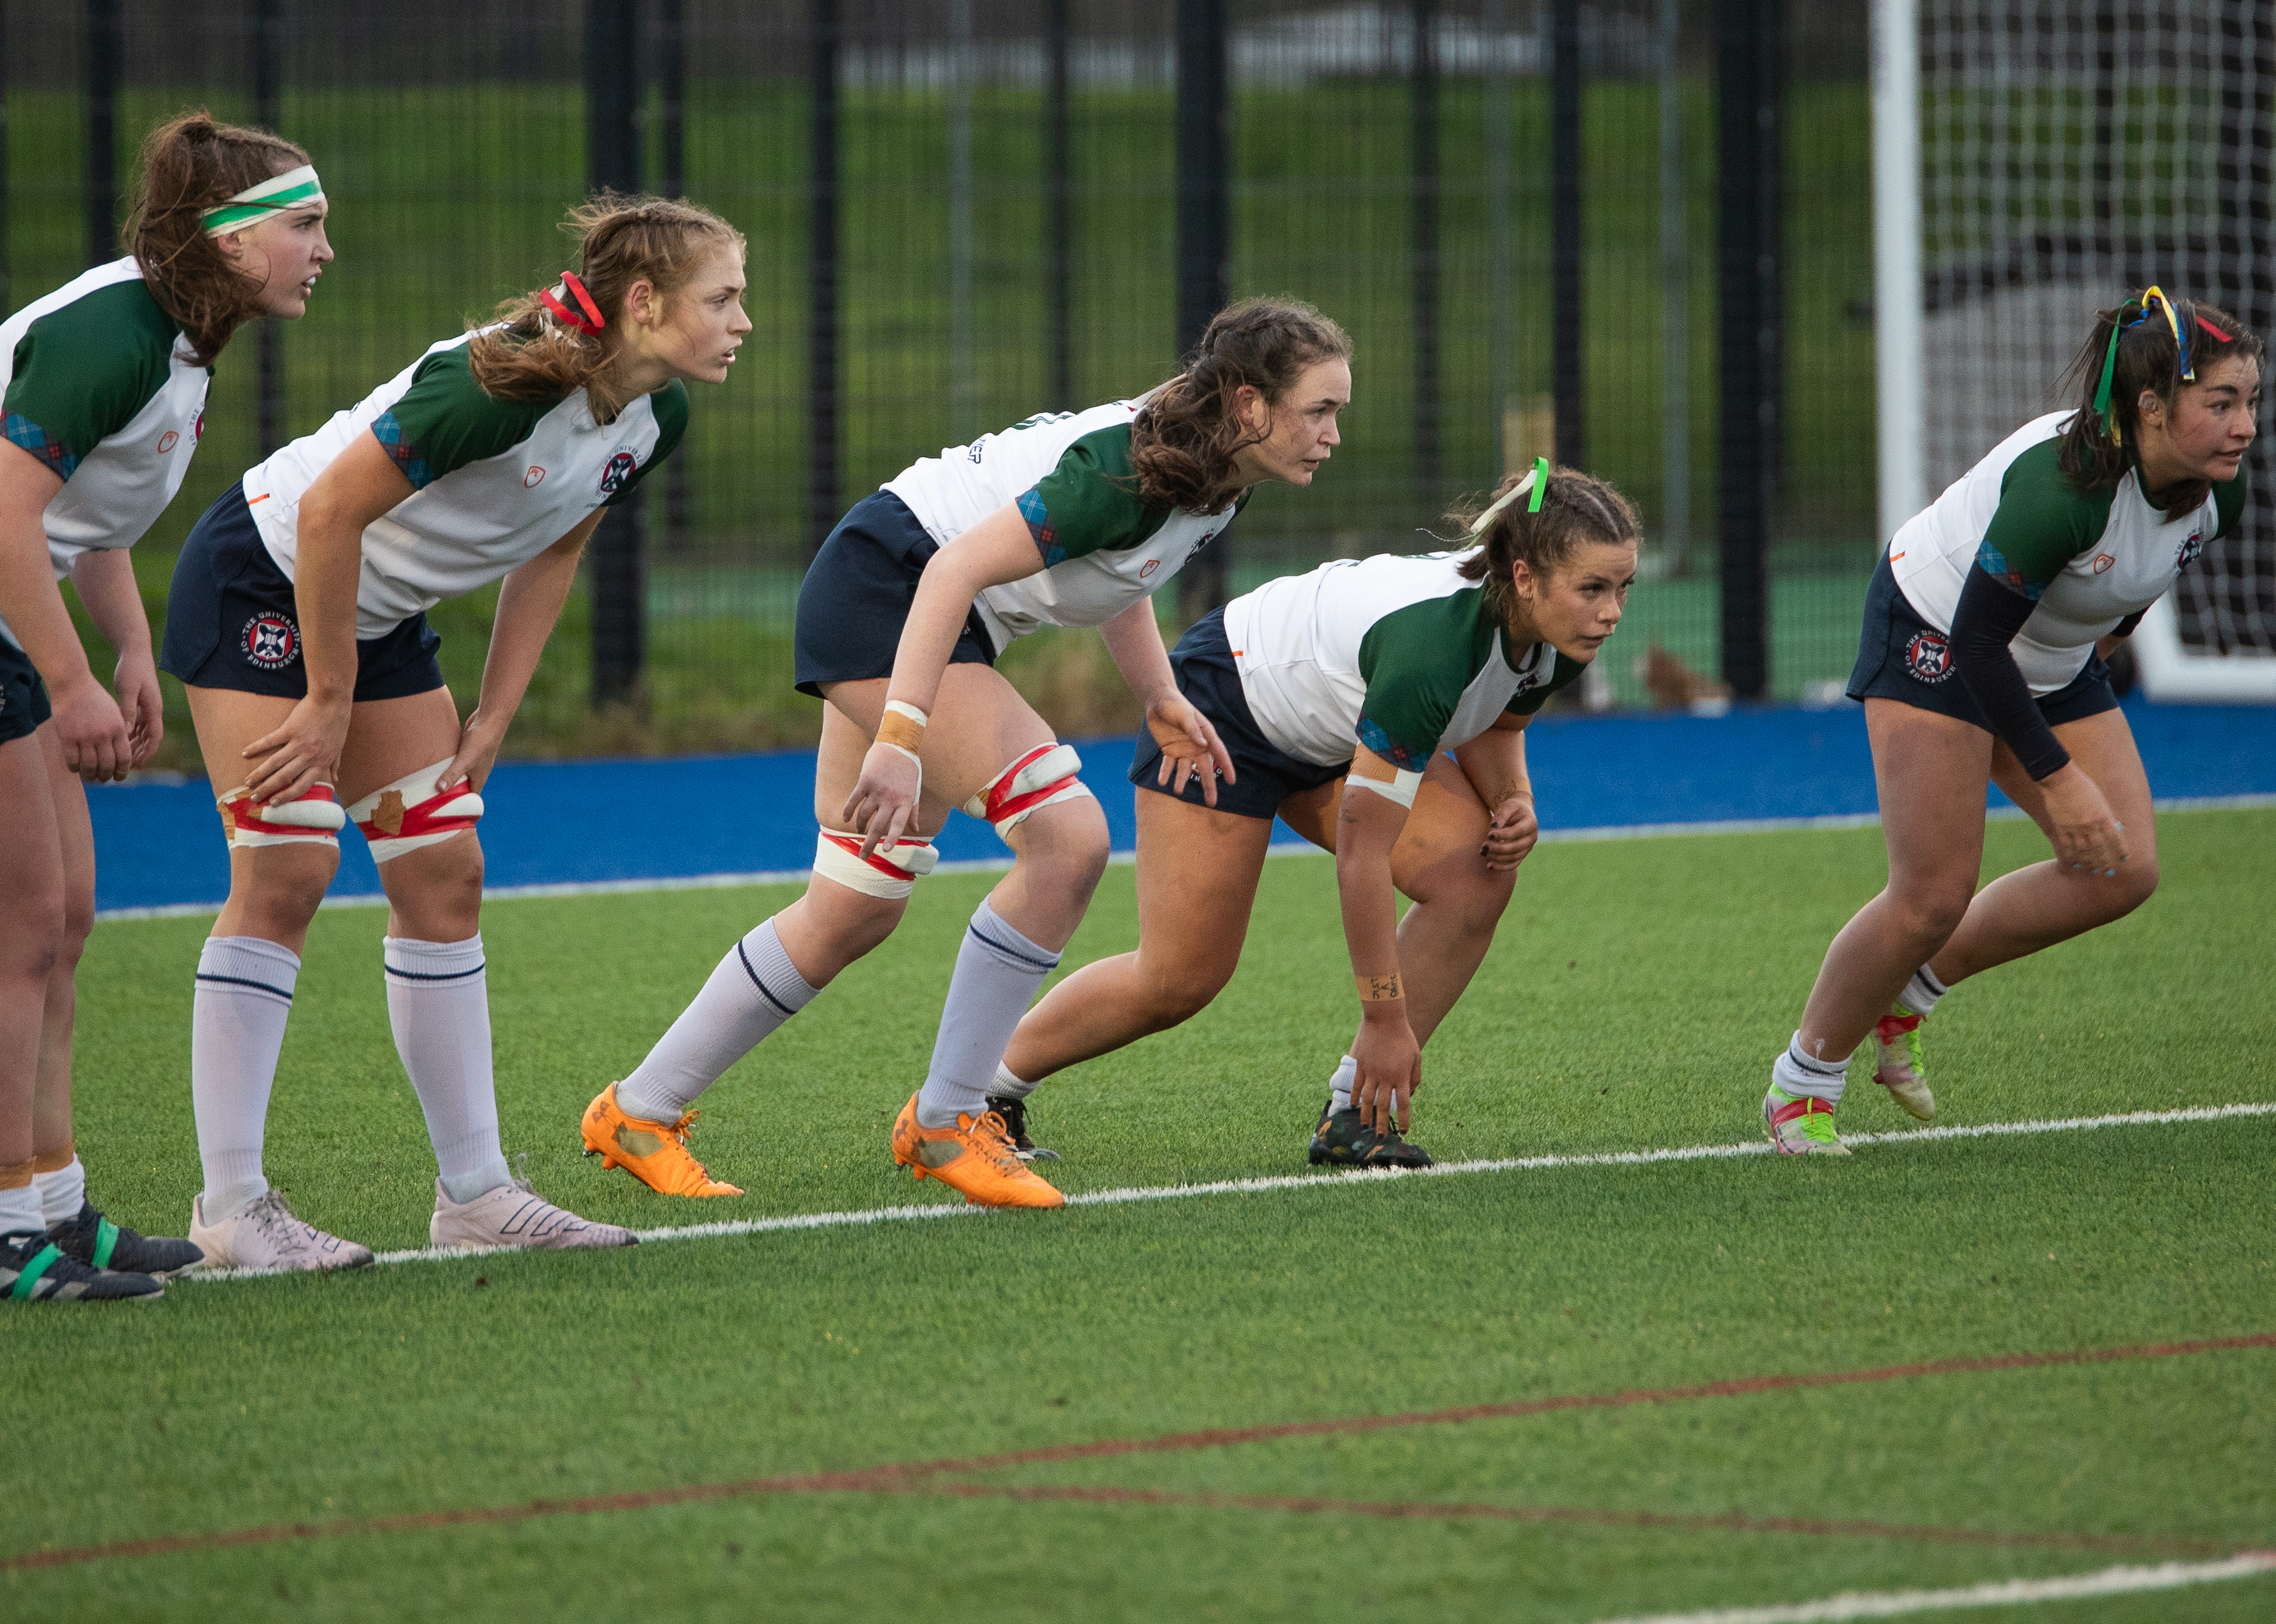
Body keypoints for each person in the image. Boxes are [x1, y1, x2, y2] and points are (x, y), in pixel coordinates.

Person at [582, 299, 1356, 1210]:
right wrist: (902, 739)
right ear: (1249, 403)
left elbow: (1121, 573)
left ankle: (638, 1112)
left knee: (853, 907)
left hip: (907, 603)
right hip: (890, 594)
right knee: (1068, 842)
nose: (1334, 435)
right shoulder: (1122, 469)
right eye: (1320, 411)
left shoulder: (1210, 466)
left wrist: (1159, 697)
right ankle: (948, 1122)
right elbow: (949, 573)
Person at [0, 114, 325, 1304]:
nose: (322, 249)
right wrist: (72, 679)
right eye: (302, 225)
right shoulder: (116, 328)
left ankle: (51, 1207)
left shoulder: (176, 341)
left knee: (64, 916)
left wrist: (130, 646)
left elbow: (82, 519)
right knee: (12, 929)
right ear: (223, 240)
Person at [168, 195, 748, 1269]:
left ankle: (476, 1193)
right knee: (287, 868)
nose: (741, 321)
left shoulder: (654, 417)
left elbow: (556, 547)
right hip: (263, 575)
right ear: (644, 302)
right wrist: (329, 699)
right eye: (722, 298)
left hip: (368, 615)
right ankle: (231, 1207)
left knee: (445, 872)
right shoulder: (492, 381)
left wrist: (494, 712)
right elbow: (327, 514)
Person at [995, 461, 1638, 1170]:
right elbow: (1365, 857)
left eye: (1621, 588)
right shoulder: (1432, 647)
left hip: (1341, 728)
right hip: (1227, 707)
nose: (1612, 611)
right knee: (1179, 978)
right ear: (1524, 577)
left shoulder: (1561, 633)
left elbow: (1497, 717)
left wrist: (1516, 798)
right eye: (1594, 589)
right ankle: (983, 1089)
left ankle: (1355, 1118)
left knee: (1477, 872)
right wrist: (1385, 1019)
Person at [1764, 288, 2260, 1159]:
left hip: (2045, 656)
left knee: (2123, 870)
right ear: (2150, 406)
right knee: (1931, 894)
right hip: (1939, 630)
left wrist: (2062, 710)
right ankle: (1802, 1083)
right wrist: (2056, 775)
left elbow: (2129, 594)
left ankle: (1908, 995)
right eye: (2220, 403)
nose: (2243, 425)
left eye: (2250, 401)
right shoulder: (2065, 490)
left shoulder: (2219, 494)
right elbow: (1975, 640)